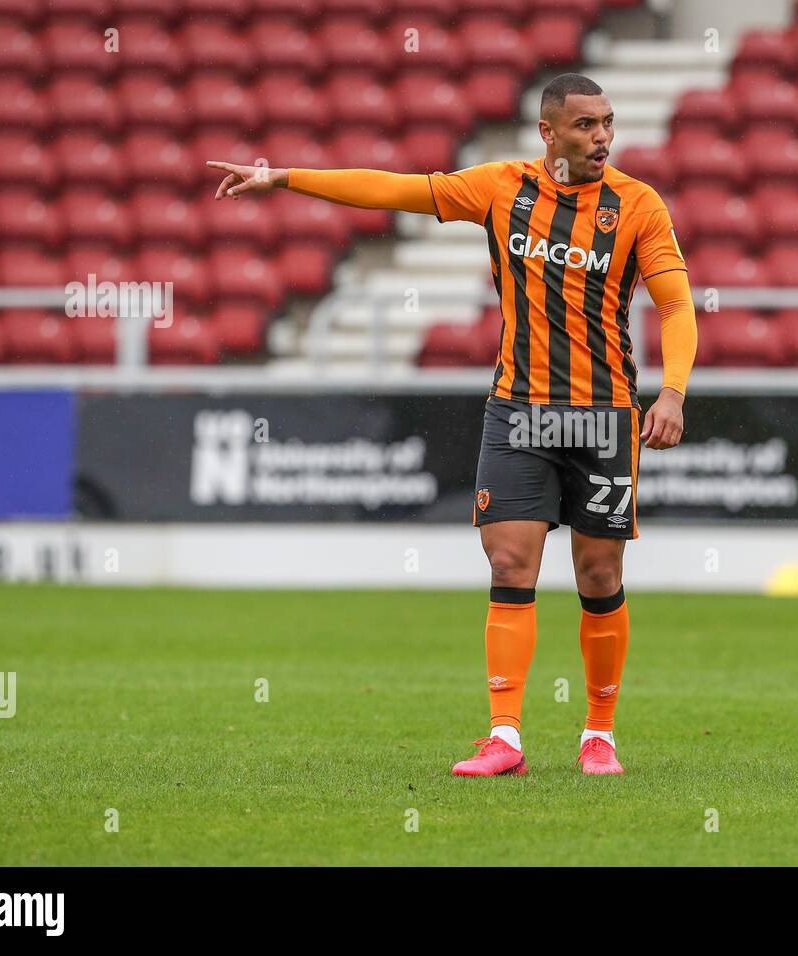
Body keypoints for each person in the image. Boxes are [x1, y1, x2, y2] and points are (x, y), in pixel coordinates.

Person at [207, 72, 697, 777]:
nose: (602, 138)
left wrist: (673, 392)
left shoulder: (638, 205)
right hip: (519, 409)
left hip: (603, 416)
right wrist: (284, 177)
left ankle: (600, 734)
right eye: (587, 125)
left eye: (608, 123)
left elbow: (677, 308)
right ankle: (505, 737)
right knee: (508, 562)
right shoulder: (502, 187)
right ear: (549, 131)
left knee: (597, 572)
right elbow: (397, 188)